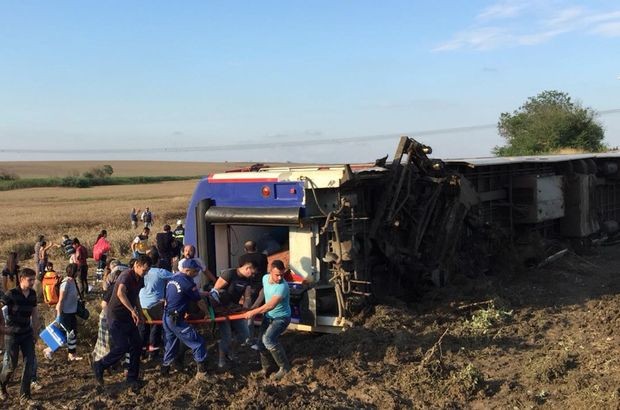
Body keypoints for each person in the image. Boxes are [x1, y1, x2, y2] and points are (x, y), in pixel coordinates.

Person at [92, 255, 152, 390]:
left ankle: (132, 378)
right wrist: (132, 310)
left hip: (128, 317)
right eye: (144, 270)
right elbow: (120, 293)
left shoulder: (139, 278)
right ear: (137, 265)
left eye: (147, 271)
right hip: (116, 316)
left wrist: (140, 313)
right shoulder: (126, 275)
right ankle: (100, 365)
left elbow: (135, 296)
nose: (145, 273)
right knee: (122, 346)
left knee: (137, 344)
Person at [160, 259, 210, 380]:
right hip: (176, 318)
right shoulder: (187, 282)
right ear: (187, 270)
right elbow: (198, 300)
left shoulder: (172, 279)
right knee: (198, 342)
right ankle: (202, 373)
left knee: (171, 344)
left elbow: (177, 296)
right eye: (195, 271)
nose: (197, 274)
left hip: (167, 316)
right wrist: (207, 313)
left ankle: (164, 370)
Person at [244, 260, 291, 380]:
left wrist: (253, 312)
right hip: (269, 317)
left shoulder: (282, 287)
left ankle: (285, 368)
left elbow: (270, 305)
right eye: (277, 275)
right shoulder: (265, 278)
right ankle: (266, 368)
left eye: (282, 274)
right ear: (270, 272)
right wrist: (254, 306)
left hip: (281, 318)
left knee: (268, 339)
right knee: (260, 344)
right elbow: (263, 292)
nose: (280, 277)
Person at [0, 268, 41, 403]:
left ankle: (25, 395)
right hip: (12, 335)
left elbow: (34, 314)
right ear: (21, 279)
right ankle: (2, 385)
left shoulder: (33, 294)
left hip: (26, 334)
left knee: (29, 362)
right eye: (30, 280)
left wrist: (35, 332)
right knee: (11, 365)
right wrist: (2, 327)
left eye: (33, 280)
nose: (32, 282)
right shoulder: (11, 294)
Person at [211, 260, 256, 369]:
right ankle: (221, 360)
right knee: (226, 336)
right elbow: (214, 292)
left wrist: (247, 307)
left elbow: (247, 295)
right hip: (221, 310)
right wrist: (219, 309)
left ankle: (231, 351)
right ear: (247, 269)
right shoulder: (229, 274)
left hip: (235, 309)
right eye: (253, 273)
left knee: (245, 334)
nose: (253, 275)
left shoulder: (248, 279)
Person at [43, 264, 82, 361]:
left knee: (72, 333)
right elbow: (61, 300)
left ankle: (72, 355)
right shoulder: (66, 283)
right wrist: (59, 316)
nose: (79, 272)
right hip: (64, 313)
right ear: (75, 271)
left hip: (71, 312)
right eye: (78, 270)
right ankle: (49, 350)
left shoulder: (72, 281)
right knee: (63, 334)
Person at [139, 252, 173, 357]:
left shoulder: (140, 272)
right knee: (156, 327)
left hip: (141, 304)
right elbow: (176, 278)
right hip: (155, 305)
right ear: (158, 260)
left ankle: (142, 351)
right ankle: (153, 352)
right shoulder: (160, 272)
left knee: (143, 328)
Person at [238, 240, 268, 342]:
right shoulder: (262, 257)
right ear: (256, 248)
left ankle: (249, 338)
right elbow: (265, 270)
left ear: (245, 249)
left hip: (248, 288)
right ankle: (263, 337)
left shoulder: (241, 258)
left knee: (249, 313)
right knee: (264, 310)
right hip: (262, 287)